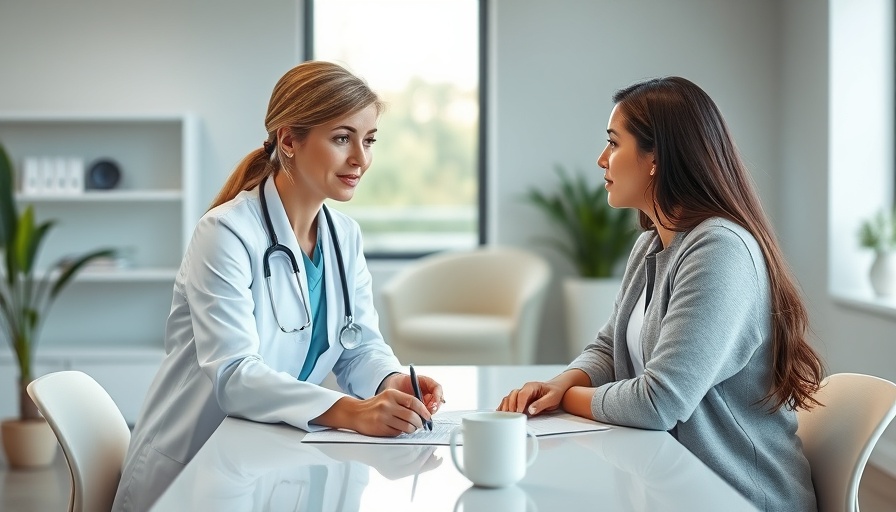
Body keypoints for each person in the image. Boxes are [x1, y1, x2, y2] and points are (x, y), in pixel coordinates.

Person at [112, 61, 445, 512]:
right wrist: (353, 411)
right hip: (194, 471)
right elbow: (234, 376)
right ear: (289, 140)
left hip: (269, 457)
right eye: (342, 138)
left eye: (368, 141)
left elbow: (358, 346)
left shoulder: (344, 236)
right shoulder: (226, 232)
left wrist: (391, 382)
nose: (361, 160)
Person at [498, 76, 824, 512]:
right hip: (672, 485)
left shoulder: (720, 250)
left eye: (613, 144)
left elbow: (658, 402)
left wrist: (563, 401)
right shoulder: (652, 245)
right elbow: (607, 349)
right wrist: (558, 383)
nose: (601, 159)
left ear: (656, 158)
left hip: (738, 496)